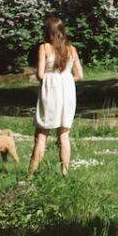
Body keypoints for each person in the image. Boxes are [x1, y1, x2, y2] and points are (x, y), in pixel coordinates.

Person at [29, 16, 83, 176]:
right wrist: (64, 80)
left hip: (50, 92)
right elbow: (79, 75)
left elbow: (40, 74)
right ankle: (64, 174)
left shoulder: (44, 48)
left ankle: (30, 176)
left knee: (41, 135)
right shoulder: (72, 49)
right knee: (64, 135)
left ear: (47, 32)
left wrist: (53, 80)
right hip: (68, 92)